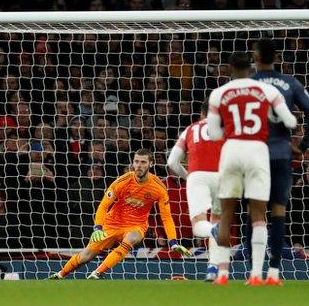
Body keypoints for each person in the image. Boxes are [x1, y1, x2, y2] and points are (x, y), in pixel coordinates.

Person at [207, 52, 297, 286]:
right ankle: (256, 275)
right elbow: (291, 122)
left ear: (229, 69)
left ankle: (223, 275)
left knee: (226, 214)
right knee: (258, 214)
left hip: (232, 149)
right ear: (251, 68)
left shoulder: (218, 93)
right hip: (258, 150)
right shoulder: (267, 91)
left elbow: (214, 133)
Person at [48, 148, 191, 280]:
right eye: (136, 161)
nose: (139, 165)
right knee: (86, 256)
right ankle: (60, 274)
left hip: (137, 225)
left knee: (131, 238)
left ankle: (97, 272)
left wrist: (173, 242)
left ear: (151, 164)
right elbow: (104, 205)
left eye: (143, 162)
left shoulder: (159, 187)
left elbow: (166, 217)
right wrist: (98, 227)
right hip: (112, 223)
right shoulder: (122, 182)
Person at [251, 38, 309, 285]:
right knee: (278, 212)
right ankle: (274, 273)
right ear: (277, 58)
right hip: (281, 154)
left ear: (255, 58)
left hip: (253, 154)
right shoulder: (289, 83)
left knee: (256, 213)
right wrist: (302, 148)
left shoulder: (246, 84)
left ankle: (254, 273)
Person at [167, 100, 224, 281]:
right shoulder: (227, 129)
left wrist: (188, 177)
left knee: (200, 226)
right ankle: (213, 268)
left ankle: (214, 231)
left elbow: (172, 163)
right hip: (222, 178)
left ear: (201, 113)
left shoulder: (191, 129)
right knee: (216, 221)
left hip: (198, 176)